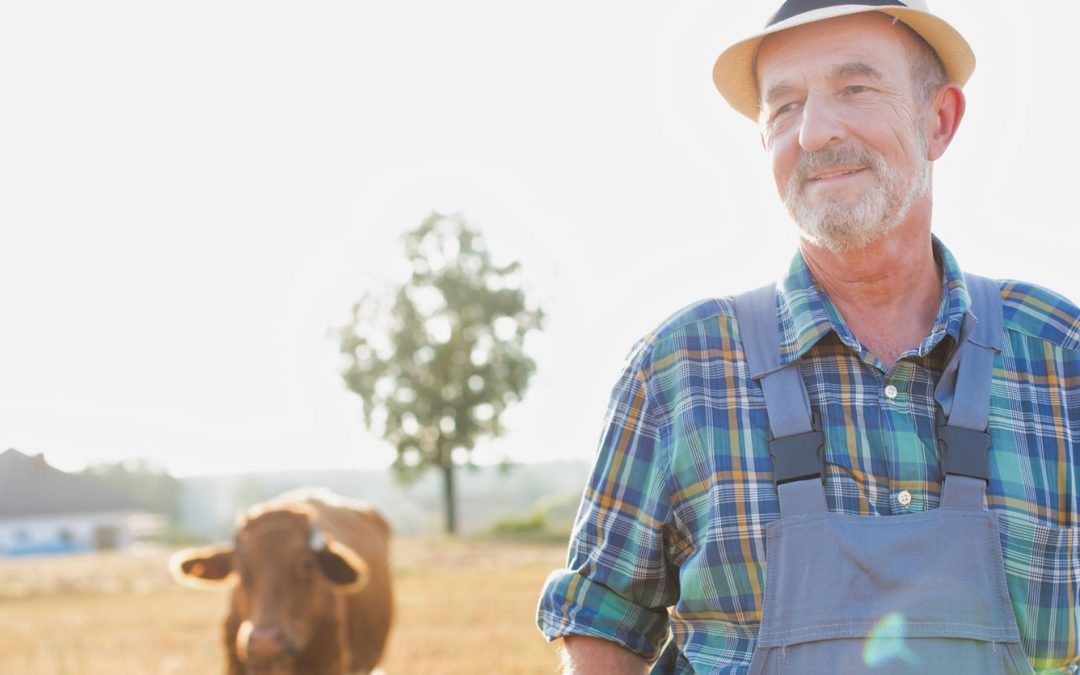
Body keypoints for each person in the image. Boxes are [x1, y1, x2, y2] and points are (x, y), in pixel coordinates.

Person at [536, 1, 1080, 673]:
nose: (816, 132)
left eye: (856, 88)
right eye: (784, 107)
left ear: (939, 120)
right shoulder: (678, 372)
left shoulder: (1063, 362)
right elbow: (601, 629)